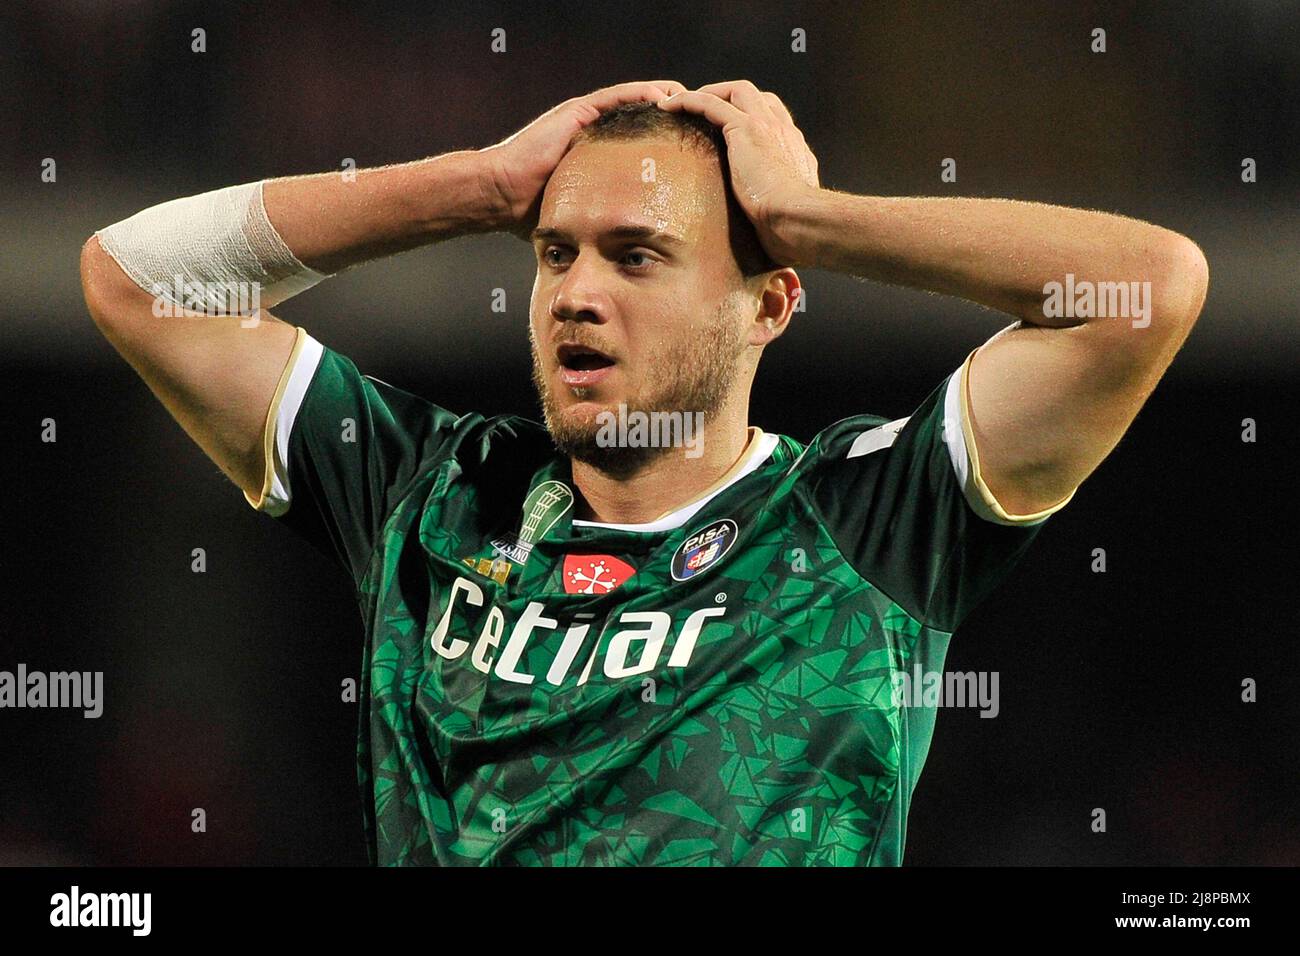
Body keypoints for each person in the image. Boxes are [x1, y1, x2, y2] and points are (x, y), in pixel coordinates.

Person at [79, 79, 1208, 865]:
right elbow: (136, 279)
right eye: (554, 250)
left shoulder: (861, 518)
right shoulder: (430, 493)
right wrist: (475, 185)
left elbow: (1147, 290)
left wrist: (810, 216)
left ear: (769, 301)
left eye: (636, 255)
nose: (576, 290)